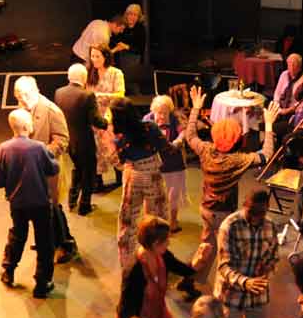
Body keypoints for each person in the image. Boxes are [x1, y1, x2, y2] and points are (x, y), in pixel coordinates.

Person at [183, 85, 278, 286]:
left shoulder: (206, 150)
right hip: (224, 213)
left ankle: (192, 277)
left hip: (206, 208)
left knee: (206, 246)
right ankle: (228, 283)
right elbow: (266, 154)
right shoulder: (237, 160)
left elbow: (190, 135)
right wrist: (268, 125)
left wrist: (195, 108)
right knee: (228, 251)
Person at [0, 110, 59, 298]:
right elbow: (53, 168)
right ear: (26, 126)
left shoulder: (2, 149)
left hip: (17, 203)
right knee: (45, 240)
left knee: (18, 235)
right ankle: (42, 282)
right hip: (40, 202)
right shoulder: (39, 148)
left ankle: (8, 270)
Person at [215, 190, 279, 318]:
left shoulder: (270, 226)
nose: (256, 217)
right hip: (231, 295)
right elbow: (223, 267)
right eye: (252, 212)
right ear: (245, 204)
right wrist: (246, 282)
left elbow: (274, 257)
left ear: (267, 209)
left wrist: (267, 268)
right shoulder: (230, 226)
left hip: (258, 295)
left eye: (261, 213)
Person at [14, 76, 76, 263]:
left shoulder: (50, 110)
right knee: (41, 208)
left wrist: (39, 154)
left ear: (35, 90)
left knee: (53, 208)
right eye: (18, 96)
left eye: (24, 95)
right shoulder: (23, 109)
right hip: (32, 171)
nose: (22, 100)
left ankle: (66, 244)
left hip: (49, 169)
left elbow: (62, 140)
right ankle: (49, 240)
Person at [112, 101, 173, 270]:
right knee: (158, 218)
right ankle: (156, 260)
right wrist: (181, 142)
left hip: (132, 175)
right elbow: (166, 148)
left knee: (127, 219)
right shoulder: (150, 128)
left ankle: (127, 264)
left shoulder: (118, 137)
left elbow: (119, 161)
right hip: (152, 174)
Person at [54, 63, 108, 216]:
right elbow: (96, 121)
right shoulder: (87, 95)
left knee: (78, 168)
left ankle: (72, 201)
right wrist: (107, 120)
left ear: (69, 77)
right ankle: (85, 205)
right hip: (85, 141)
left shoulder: (59, 93)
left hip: (69, 141)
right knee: (88, 172)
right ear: (84, 78)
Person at [144, 95, 188, 232]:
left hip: (174, 163)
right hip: (153, 163)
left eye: (165, 113)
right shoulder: (147, 119)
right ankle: (149, 222)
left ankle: (173, 222)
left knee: (173, 194)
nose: (162, 116)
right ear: (153, 111)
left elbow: (183, 132)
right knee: (150, 195)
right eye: (159, 112)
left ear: (170, 111)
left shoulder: (175, 118)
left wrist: (178, 141)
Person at [88, 45, 126, 187]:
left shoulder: (116, 73)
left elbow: (120, 94)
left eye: (98, 56)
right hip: (95, 117)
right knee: (96, 149)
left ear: (106, 57)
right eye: (92, 56)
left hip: (112, 115)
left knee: (114, 147)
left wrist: (100, 96)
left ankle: (120, 177)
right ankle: (98, 181)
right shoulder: (90, 73)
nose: (94, 59)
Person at [110, 4, 148, 94]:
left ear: (139, 17)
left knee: (132, 83)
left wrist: (126, 46)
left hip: (133, 59)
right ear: (126, 15)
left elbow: (140, 48)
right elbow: (114, 39)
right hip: (119, 57)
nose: (132, 17)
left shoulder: (140, 29)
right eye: (130, 14)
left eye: (135, 15)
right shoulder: (123, 26)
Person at [271, 53, 303, 137]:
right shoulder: (284, 74)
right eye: (289, 64)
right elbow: (277, 93)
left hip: (292, 112)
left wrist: (287, 111)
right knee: (263, 122)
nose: (291, 67)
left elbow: (301, 102)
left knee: (271, 127)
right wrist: (277, 107)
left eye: (294, 65)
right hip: (280, 108)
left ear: (300, 66)